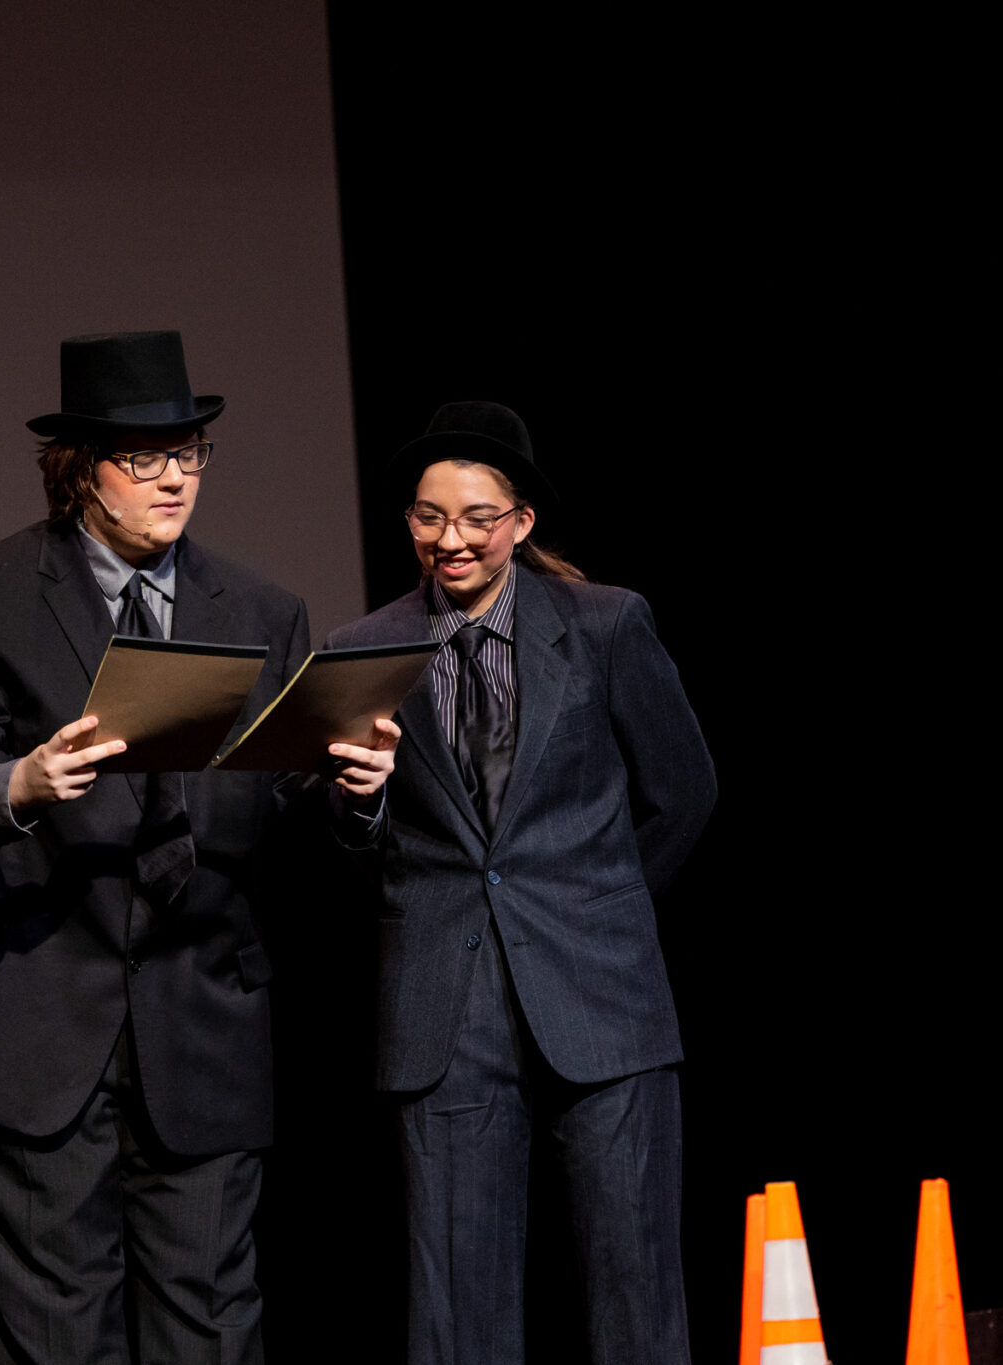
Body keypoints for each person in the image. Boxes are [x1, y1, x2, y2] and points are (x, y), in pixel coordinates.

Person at [0, 331, 392, 1364]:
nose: (172, 479)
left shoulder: (259, 610)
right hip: (28, 1022)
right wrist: (18, 783)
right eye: (143, 458)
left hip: (199, 1022)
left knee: (209, 1326)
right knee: (59, 1336)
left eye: (188, 453)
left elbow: (290, 796)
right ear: (77, 471)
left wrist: (353, 792)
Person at [323, 402, 716, 1363]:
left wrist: (599, 909)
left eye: (474, 517)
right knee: (457, 1309)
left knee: (635, 1289)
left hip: (600, 991)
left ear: (523, 520)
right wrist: (361, 799)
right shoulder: (363, 647)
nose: (448, 540)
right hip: (447, 1006)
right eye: (427, 517)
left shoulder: (606, 623)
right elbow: (338, 832)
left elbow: (684, 793)